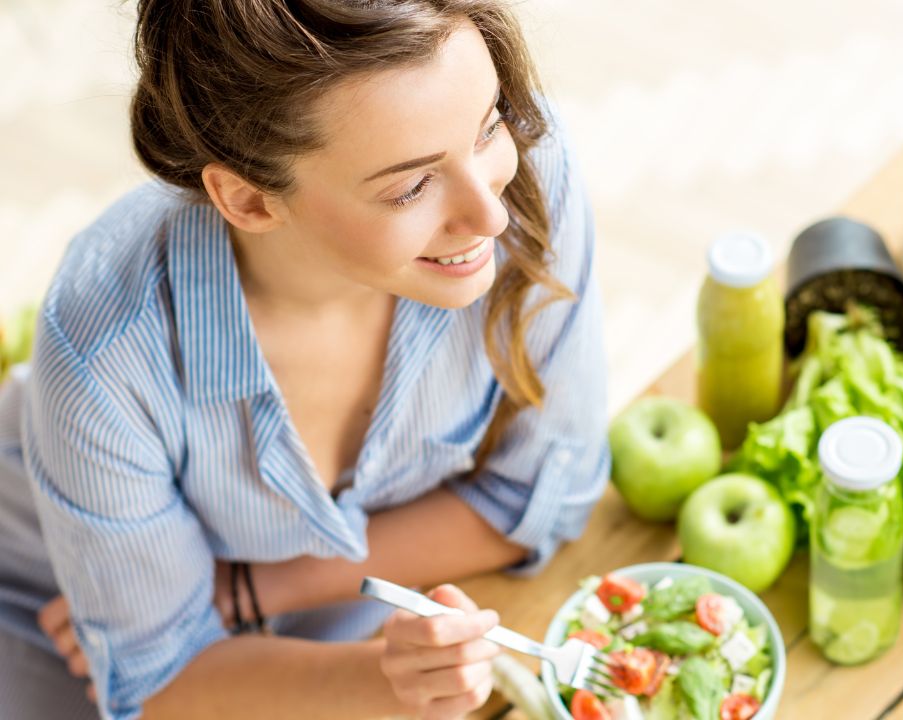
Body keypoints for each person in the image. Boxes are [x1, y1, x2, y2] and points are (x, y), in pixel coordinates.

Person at [0, 1, 609, 718]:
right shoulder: (105, 345)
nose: (492, 217)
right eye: (410, 187)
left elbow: (546, 496)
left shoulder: (529, 175)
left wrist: (250, 590)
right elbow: (160, 681)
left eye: (487, 128)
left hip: (314, 616)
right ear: (250, 201)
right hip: (44, 606)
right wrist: (383, 680)